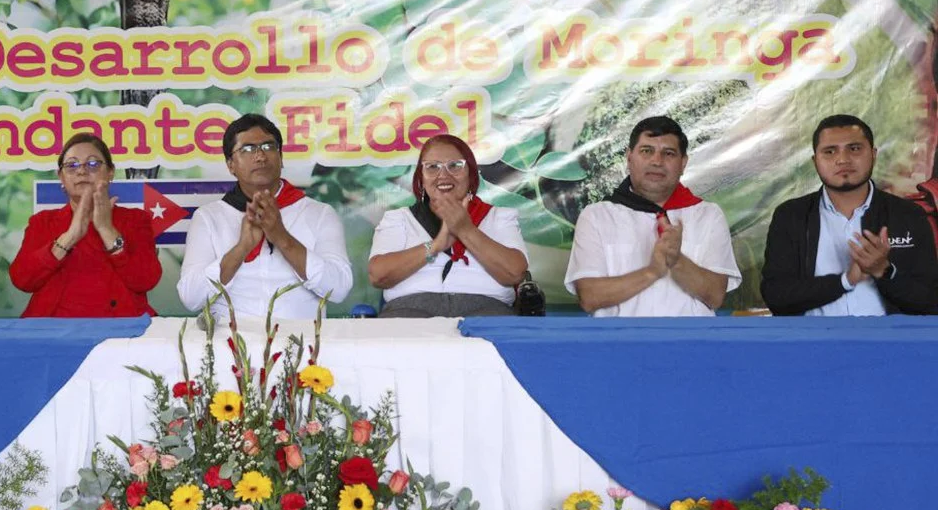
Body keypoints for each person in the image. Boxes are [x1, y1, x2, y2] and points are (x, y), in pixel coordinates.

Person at [177, 113, 352, 320]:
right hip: (229, 343)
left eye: (269, 147)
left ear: (281, 157)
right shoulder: (209, 217)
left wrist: (281, 237)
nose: (260, 156)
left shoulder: (319, 214)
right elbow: (191, 297)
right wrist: (241, 248)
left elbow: (339, 289)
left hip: (300, 344)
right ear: (230, 165)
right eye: (248, 149)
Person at [761, 114, 938, 315]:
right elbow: (776, 297)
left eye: (854, 149)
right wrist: (845, 281)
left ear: (873, 154)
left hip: (890, 343)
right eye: (830, 151)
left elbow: (929, 301)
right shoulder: (791, 216)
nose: (843, 159)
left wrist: (883, 271)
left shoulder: (908, 214)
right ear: (815, 160)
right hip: (813, 343)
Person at [565, 116, 740, 316]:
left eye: (669, 153)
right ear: (629, 158)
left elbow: (715, 296)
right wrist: (652, 272)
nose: (657, 161)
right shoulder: (596, 216)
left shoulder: (708, 215)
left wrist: (677, 261)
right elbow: (589, 297)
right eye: (646, 151)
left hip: (690, 343)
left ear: (683, 163)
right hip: (619, 343)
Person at [368, 134, 528, 317]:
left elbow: (515, 273)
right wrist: (435, 246)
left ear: (471, 174)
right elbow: (378, 276)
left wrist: (465, 230)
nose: (443, 175)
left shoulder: (498, 217)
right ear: (421, 176)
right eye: (432, 167)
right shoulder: (399, 219)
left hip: (487, 309)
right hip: (409, 310)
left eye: (455, 166)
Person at [9, 134, 161, 317]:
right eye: (71, 165)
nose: (81, 171)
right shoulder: (43, 222)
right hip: (53, 330)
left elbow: (146, 280)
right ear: (61, 178)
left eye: (93, 164)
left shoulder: (135, 220)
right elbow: (22, 280)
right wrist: (70, 237)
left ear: (110, 172)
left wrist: (107, 229)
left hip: (121, 331)